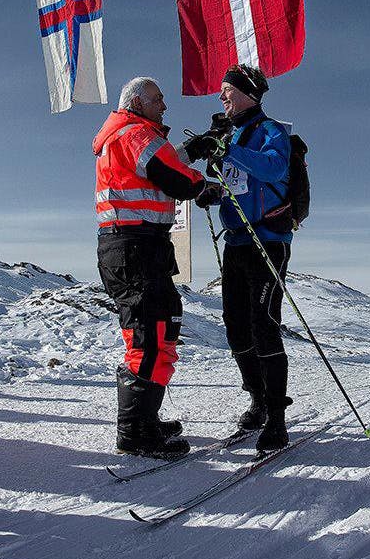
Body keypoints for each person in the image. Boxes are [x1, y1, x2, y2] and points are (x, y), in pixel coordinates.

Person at [94, 77, 216, 459]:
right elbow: (169, 174)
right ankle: (134, 432)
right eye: (157, 99)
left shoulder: (133, 136)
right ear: (137, 103)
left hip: (139, 246)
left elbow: (163, 162)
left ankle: (145, 418)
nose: (164, 106)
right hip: (135, 246)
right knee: (148, 337)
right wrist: (202, 187)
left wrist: (195, 149)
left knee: (160, 330)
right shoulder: (133, 133)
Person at [180, 65, 295, 452]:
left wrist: (228, 149)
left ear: (249, 94)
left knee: (264, 324)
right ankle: (258, 400)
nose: (221, 96)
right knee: (235, 326)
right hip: (236, 241)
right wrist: (210, 190)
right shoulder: (230, 133)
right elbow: (236, 183)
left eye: (227, 90)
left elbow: (274, 168)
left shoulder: (271, 131)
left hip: (268, 240)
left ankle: (277, 418)